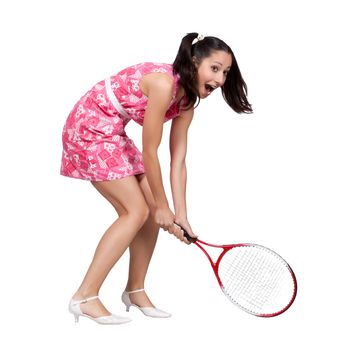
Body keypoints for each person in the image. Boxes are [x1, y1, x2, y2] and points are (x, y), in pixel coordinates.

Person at [61, 32, 252, 325]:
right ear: (193, 62)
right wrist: (163, 207)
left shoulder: (187, 101)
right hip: (90, 127)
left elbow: (178, 161)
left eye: (225, 72)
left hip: (112, 131)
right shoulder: (164, 84)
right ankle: (84, 296)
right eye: (215, 68)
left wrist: (181, 215)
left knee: (149, 212)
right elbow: (151, 151)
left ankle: (135, 291)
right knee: (136, 211)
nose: (221, 80)